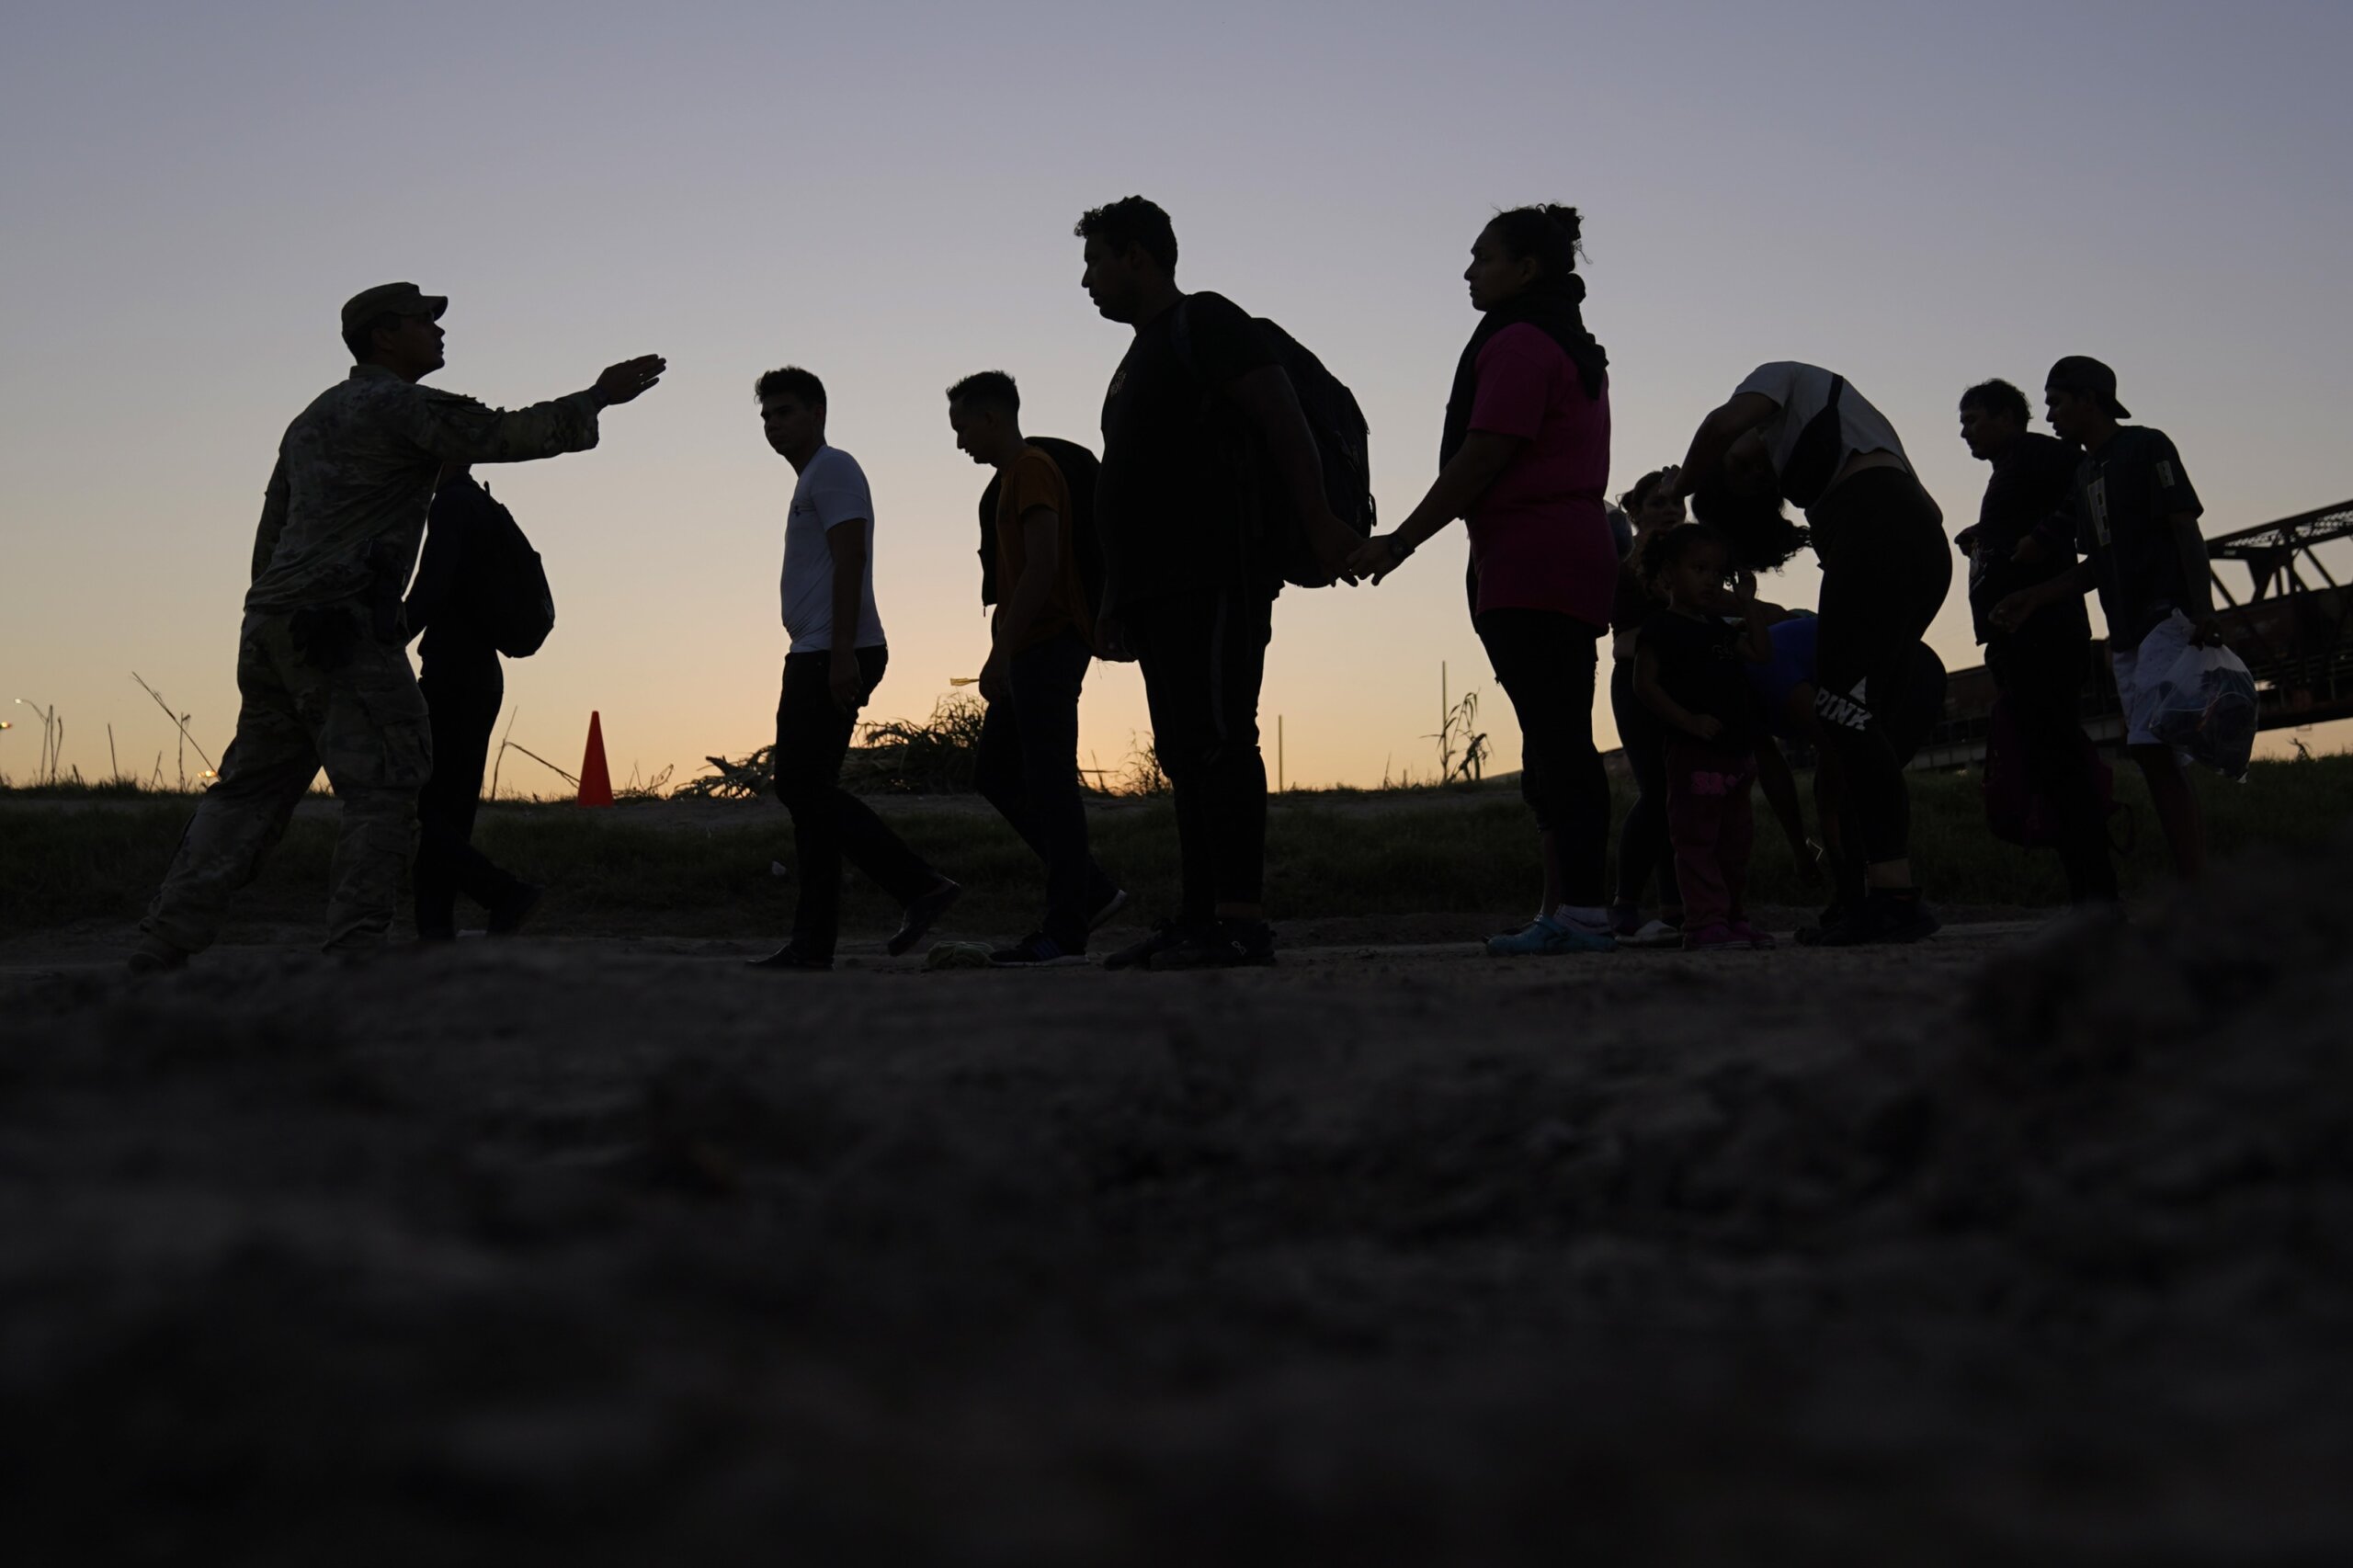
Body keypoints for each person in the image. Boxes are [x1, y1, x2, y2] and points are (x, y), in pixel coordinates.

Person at [130, 283, 664, 971]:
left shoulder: (310, 420)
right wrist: (597, 397)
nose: (439, 333)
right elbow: (503, 434)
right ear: (385, 336)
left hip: (274, 624)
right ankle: (356, 950)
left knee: (249, 792)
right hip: (338, 628)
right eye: (424, 323)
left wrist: (276, 612)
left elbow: (272, 535)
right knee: (388, 785)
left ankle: (165, 938)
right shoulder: (399, 407)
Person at [1076, 196, 1359, 971]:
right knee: (1181, 749)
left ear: (1138, 255)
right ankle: (1198, 916)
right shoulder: (1138, 359)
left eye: (1096, 261)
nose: (1086, 281)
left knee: (1220, 740)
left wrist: (1323, 521)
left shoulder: (1206, 320)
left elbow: (1281, 419)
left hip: (1216, 573)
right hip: (1156, 589)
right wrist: (1114, 596)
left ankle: (1239, 920)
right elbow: (1128, 488)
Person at [1350, 204, 1620, 959]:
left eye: (1482, 258)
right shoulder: (1566, 342)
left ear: (1525, 269)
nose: (1469, 271)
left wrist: (1401, 541)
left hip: (1533, 554)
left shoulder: (1521, 344)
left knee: (1557, 739)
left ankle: (1584, 915)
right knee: (1557, 734)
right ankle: (1570, 909)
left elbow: (1482, 457)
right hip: (1559, 549)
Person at [1664, 362, 1950, 944]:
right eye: (1746, 474)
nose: (1748, 459)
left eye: (1741, 462)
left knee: (1844, 715)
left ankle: (1893, 897)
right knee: (1863, 725)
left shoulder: (1785, 377)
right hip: (1916, 543)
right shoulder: (1836, 457)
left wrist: (1681, 488)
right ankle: (1877, 891)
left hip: (1879, 529)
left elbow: (1721, 426)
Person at [751, 367, 960, 971]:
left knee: (800, 784)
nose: (773, 424)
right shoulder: (813, 478)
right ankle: (814, 941)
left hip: (832, 651)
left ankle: (919, 886)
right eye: (766, 415)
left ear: (817, 413)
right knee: (809, 793)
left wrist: (841, 652)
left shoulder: (834, 468)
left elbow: (852, 556)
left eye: (784, 411)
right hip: (819, 648)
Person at [1993, 357, 2220, 880]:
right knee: (2152, 755)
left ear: (2088, 399)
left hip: (2167, 616)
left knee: (2151, 746)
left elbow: (2185, 526)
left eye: (2055, 402)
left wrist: (2204, 608)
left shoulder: (2147, 446)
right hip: (2124, 631)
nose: (2049, 415)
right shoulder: (2085, 473)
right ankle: (2196, 887)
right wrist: (2035, 596)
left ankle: (2197, 890)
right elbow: (2093, 566)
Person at [945, 370, 1126, 966]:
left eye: (963, 426)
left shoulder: (1030, 471)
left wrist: (1002, 652)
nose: (960, 441)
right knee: (997, 772)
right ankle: (1092, 891)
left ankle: (1066, 929)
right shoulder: (1004, 484)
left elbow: (1043, 566)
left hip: (1050, 643)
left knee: (1050, 784)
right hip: (1027, 647)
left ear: (992, 418)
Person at [1954, 378, 2119, 905]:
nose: (1965, 433)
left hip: (2042, 633)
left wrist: (2042, 537)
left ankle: (2097, 897)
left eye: (1973, 419)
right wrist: (1985, 536)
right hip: (2018, 638)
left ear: (2007, 417)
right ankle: (2089, 894)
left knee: (2059, 761)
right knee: (2050, 762)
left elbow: (2091, 482)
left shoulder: (2036, 452)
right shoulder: (2013, 468)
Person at [402, 464, 540, 939]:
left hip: (452, 672)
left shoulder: (452, 505)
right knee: (448, 809)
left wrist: (384, 634)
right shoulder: (479, 504)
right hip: (478, 674)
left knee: (412, 804)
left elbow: (430, 589)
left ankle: (499, 892)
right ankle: (436, 931)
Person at [1633, 525, 1776, 950]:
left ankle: (1733, 917)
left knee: (1735, 844)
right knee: (1697, 842)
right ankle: (1704, 922)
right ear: (1667, 576)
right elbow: (1644, 685)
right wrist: (1688, 721)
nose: (1711, 580)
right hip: (1693, 755)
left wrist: (1747, 605)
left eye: (1718, 572)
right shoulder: (1660, 628)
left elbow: (1762, 655)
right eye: (1699, 569)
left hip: (1735, 756)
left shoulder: (1720, 628)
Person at [1606, 468, 1688, 947]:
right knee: (1658, 792)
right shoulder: (1628, 560)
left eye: (1677, 503)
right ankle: (1625, 907)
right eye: (1658, 503)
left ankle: (1676, 906)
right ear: (1635, 512)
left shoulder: (1691, 560)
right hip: (1639, 684)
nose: (1671, 511)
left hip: (1687, 685)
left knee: (1683, 793)